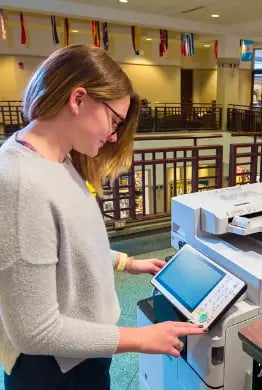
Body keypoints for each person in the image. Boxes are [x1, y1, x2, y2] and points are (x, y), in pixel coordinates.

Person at [0, 44, 206, 390]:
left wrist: (127, 262)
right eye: (114, 120)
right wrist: (140, 338)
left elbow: (61, 249)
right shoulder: (20, 182)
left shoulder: (59, 159)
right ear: (78, 99)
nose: (113, 135)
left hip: (83, 352)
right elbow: (35, 331)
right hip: (55, 370)